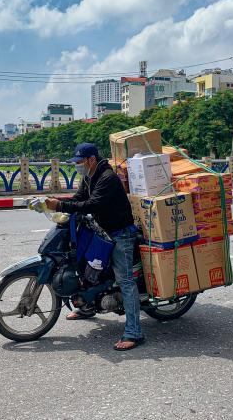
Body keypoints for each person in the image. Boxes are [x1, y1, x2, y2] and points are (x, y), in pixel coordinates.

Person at [45, 143, 144, 351]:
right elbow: (79, 198)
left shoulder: (107, 178)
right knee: (86, 266)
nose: (77, 166)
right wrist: (55, 202)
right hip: (102, 231)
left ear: (90, 160)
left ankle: (135, 332)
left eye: (79, 162)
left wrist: (61, 206)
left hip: (120, 234)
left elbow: (93, 205)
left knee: (125, 280)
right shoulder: (90, 176)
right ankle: (87, 306)